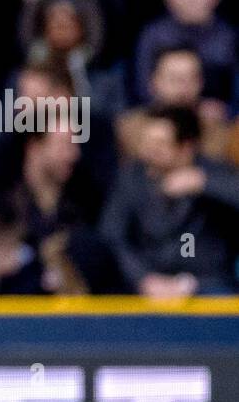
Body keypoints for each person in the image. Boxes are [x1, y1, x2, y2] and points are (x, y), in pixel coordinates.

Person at [100, 104, 239, 296]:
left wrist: (204, 183)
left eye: (160, 145)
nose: (150, 152)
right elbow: (113, 237)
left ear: (186, 148)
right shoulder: (132, 178)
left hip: (208, 284)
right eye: (147, 143)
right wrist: (143, 278)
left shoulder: (214, 173)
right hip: (150, 282)